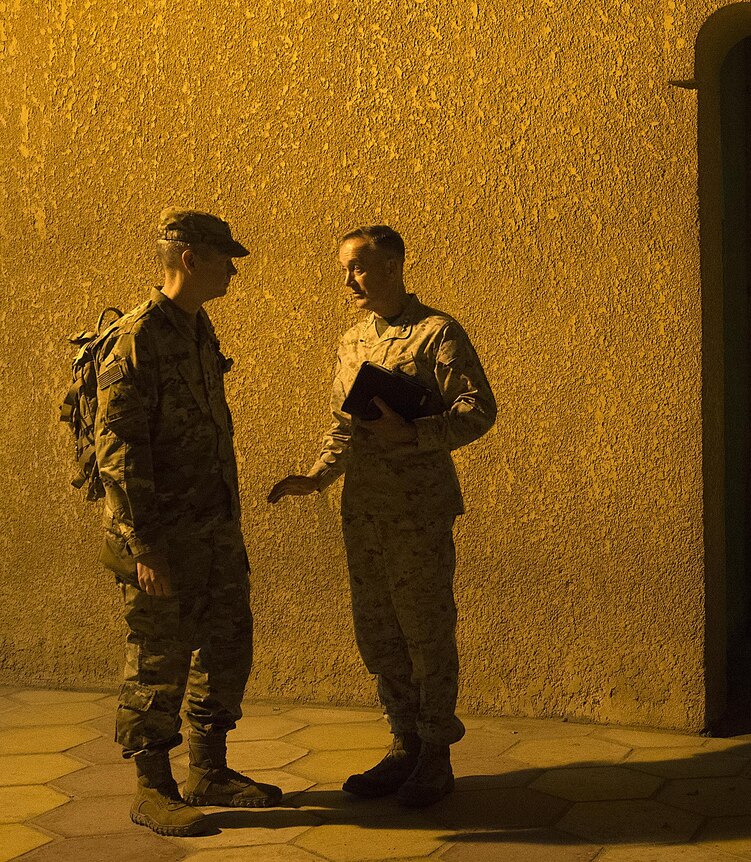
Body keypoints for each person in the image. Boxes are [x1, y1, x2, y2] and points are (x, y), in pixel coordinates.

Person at [268, 224, 497, 808]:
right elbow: (344, 424)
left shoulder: (436, 333)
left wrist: (415, 432)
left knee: (426, 630)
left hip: (417, 511)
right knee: (378, 634)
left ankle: (435, 754)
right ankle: (403, 745)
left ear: (394, 264)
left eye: (360, 267)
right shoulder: (349, 342)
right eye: (345, 268)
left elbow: (478, 411)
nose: (348, 279)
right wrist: (317, 475)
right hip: (363, 511)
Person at [95, 208, 282, 837]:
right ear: (189, 258)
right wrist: (145, 546)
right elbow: (118, 451)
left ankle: (209, 768)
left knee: (226, 646)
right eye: (225, 256)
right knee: (159, 658)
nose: (233, 268)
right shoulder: (137, 338)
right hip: (163, 538)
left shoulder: (198, 331)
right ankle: (153, 787)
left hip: (214, 529)